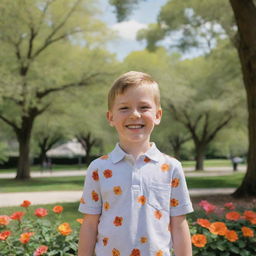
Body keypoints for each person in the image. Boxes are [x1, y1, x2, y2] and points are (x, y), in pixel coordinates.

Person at [78, 71, 193, 256]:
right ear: (110, 117)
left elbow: (179, 225)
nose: (134, 114)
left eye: (144, 107)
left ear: (158, 115)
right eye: (124, 108)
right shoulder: (99, 169)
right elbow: (90, 224)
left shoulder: (171, 168)